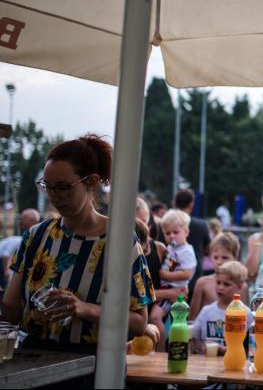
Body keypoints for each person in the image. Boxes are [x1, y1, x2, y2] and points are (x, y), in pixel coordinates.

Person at [1, 135, 154, 369]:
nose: (54, 196)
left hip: (94, 364)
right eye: (47, 187)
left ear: (91, 182)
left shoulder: (119, 241)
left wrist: (84, 309)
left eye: (63, 187)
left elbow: (138, 323)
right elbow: (11, 309)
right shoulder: (36, 235)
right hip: (33, 358)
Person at [150, 209, 197, 351]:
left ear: (186, 232)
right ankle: (165, 347)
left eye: (176, 232)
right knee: (163, 320)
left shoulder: (186, 251)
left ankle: (161, 349)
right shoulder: (171, 249)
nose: (171, 236)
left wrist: (165, 275)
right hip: (168, 289)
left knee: (156, 318)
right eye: (167, 233)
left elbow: (188, 273)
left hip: (174, 289)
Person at [190, 261, 253, 355]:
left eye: (226, 284)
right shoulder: (206, 311)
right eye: (218, 283)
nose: (220, 287)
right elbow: (194, 337)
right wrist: (201, 349)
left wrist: (227, 350)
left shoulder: (245, 313)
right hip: (206, 364)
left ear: (239, 286)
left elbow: (250, 344)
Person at [190, 232, 248, 320]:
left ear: (235, 257)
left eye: (225, 257)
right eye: (215, 257)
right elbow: (192, 318)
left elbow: (245, 317)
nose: (219, 262)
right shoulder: (202, 283)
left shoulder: (242, 286)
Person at [173, 188, 210, 297]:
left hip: (172, 271)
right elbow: (207, 250)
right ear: (191, 204)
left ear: (175, 203)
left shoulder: (165, 224)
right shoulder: (201, 224)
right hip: (195, 273)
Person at [0, 208, 40, 289]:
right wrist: (6, 270)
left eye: (23, 219)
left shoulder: (24, 239)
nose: (20, 222)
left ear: (32, 220)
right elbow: (6, 255)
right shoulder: (21, 240)